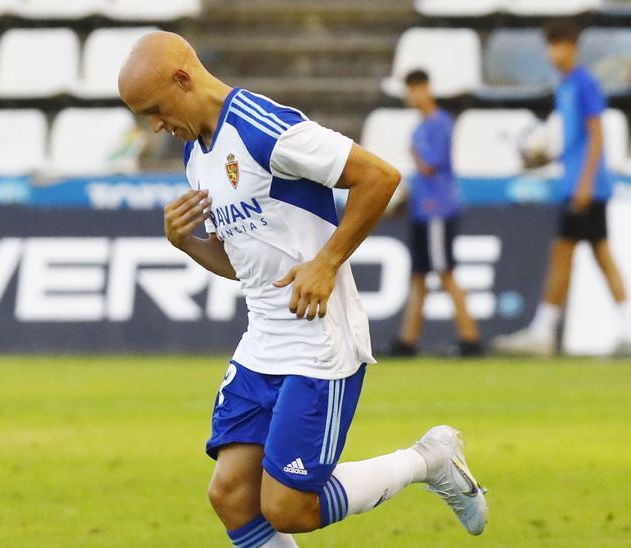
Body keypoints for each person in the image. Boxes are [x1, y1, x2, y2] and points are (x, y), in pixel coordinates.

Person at [117, 31, 487, 546]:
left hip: (320, 340)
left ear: (183, 78)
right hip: (263, 339)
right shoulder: (196, 155)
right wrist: (188, 245)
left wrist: (327, 262)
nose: (154, 125)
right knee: (230, 496)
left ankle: (428, 461)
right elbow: (244, 264)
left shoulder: (264, 128)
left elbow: (380, 177)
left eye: (154, 109)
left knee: (288, 507)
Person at [496, 21, 631, 357]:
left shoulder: (584, 82)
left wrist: (586, 183)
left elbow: (596, 134)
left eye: (558, 44)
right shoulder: (565, 86)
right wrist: (545, 158)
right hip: (575, 182)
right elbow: (573, 139)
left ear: (573, 46)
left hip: (584, 186)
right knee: (582, 254)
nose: (553, 52)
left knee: (574, 254)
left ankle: (545, 331)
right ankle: (627, 328)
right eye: (549, 45)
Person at [391, 70, 482, 358]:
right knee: (418, 275)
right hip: (423, 209)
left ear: (426, 89)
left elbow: (430, 166)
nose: (411, 96)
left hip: (436, 210)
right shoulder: (422, 127)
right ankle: (408, 340)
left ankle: (470, 336)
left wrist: (414, 153)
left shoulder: (439, 124)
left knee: (445, 273)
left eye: (414, 89)